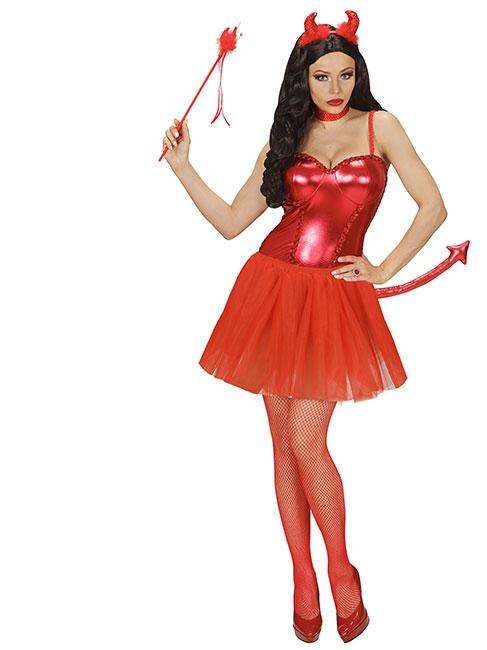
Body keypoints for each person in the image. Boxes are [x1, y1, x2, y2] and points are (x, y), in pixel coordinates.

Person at [161, 9, 447, 643]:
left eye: (346, 74)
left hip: (333, 299)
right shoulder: (285, 138)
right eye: (322, 76)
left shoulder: (381, 127)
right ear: (303, 79)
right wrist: (183, 168)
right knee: (283, 441)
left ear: (359, 74)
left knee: (305, 436)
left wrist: (382, 268)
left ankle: (341, 569)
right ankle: (302, 575)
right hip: (273, 290)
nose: (336, 87)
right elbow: (232, 222)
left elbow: (434, 206)